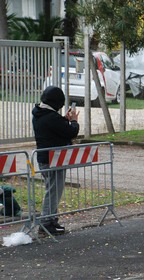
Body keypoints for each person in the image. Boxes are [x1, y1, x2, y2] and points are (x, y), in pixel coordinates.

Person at [32, 86, 80, 236]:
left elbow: (55, 129)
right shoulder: (51, 117)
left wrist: (63, 120)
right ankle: (46, 224)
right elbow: (71, 132)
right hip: (54, 159)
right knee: (53, 191)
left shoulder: (39, 114)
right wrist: (73, 121)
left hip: (45, 158)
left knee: (52, 190)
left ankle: (52, 219)